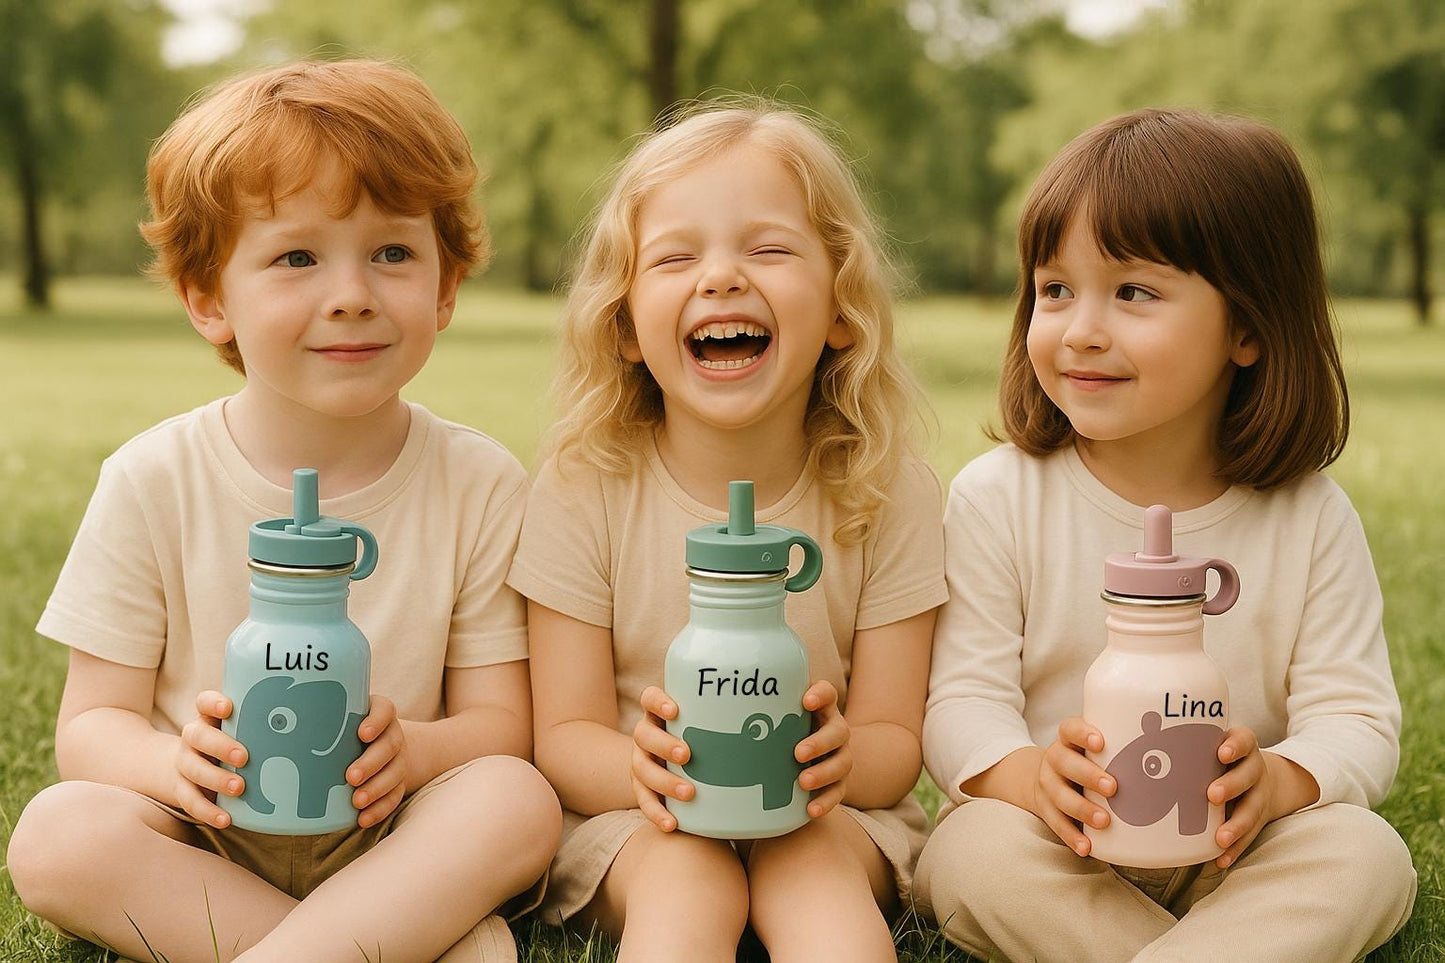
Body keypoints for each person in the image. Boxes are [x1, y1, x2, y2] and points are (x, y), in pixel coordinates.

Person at [7, 60, 560, 963]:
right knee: (56, 834)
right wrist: (170, 764)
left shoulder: (478, 481)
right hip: (207, 837)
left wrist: (413, 753)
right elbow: (91, 725)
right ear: (208, 298)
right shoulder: (154, 477)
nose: (351, 292)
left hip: (393, 835)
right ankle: (391, 945)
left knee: (514, 797)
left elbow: (502, 724)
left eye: (392, 252)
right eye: (297, 257)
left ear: (445, 285)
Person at [913, 107, 1417, 962]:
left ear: (1249, 328)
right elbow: (961, 700)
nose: (1080, 329)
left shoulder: (1307, 515)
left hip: (1234, 850)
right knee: (967, 852)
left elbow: (1356, 716)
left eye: (1133, 291)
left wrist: (1281, 779)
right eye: (1054, 289)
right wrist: (1026, 777)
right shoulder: (999, 496)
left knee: (1367, 855)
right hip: (1062, 843)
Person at [507, 101, 946, 962]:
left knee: (806, 871)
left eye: (769, 249)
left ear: (842, 306)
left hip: (830, 814)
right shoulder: (582, 486)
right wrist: (643, 768)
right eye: (675, 257)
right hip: (644, 819)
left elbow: (896, 740)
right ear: (625, 323)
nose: (720, 278)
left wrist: (836, 760)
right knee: (690, 882)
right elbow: (563, 736)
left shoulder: (887, 492)